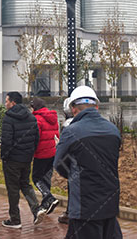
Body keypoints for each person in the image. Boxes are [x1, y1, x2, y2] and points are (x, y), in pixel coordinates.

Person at [54, 86, 122, 239]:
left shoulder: (71, 132)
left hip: (84, 205)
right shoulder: (113, 130)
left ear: (73, 109)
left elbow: (59, 164)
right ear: (96, 107)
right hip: (110, 202)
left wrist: (73, 173)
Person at [0, 91, 47, 229]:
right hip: (26, 158)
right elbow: (36, 137)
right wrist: (30, 153)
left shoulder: (8, 117)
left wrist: (4, 156)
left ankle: (15, 220)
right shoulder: (31, 116)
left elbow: (6, 140)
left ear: (13, 102)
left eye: (7, 101)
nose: (5, 104)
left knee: (13, 189)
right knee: (25, 184)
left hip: (12, 160)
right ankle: (36, 209)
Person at [30, 97, 60, 214]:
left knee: (36, 178)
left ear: (34, 107)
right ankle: (46, 204)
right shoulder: (53, 117)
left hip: (41, 154)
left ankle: (49, 197)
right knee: (46, 178)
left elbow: (35, 138)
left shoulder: (37, 119)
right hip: (52, 152)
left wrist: (31, 152)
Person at [57, 96, 73, 225]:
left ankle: (70, 213)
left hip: (71, 162)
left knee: (73, 188)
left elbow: (62, 148)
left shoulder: (67, 125)